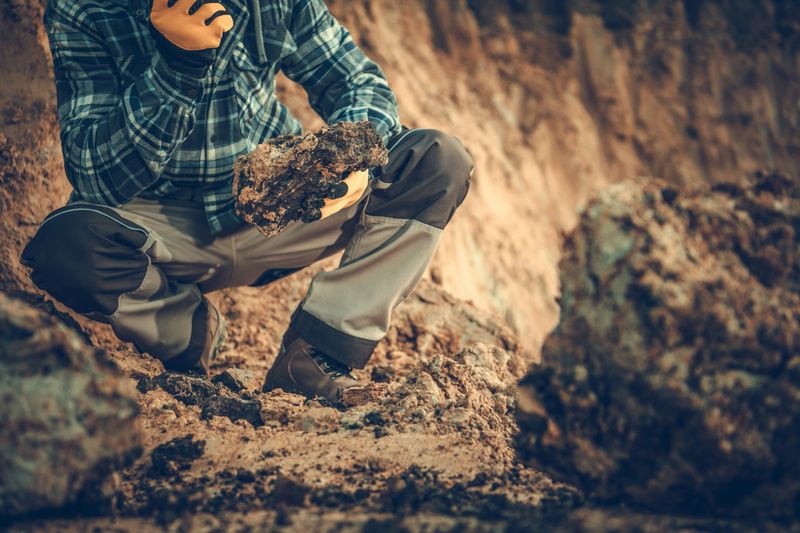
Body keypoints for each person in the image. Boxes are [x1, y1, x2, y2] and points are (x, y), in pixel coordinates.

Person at [21, 0, 472, 403]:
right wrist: (176, 70)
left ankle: (315, 357)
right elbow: (94, 176)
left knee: (435, 160)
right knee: (65, 246)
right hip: (159, 225)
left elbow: (355, 79)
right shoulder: (84, 9)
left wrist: (349, 154)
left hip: (281, 204)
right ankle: (188, 335)